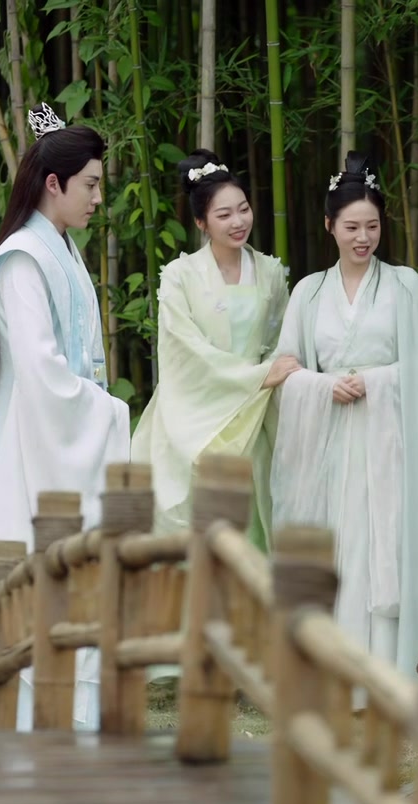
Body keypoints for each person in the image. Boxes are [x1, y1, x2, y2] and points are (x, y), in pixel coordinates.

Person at [269, 151, 418, 683]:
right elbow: (286, 369)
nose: (363, 237)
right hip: (331, 441)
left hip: (390, 442)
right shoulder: (308, 292)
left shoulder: (405, 286)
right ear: (329, 225)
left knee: (388, 546)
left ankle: (392, 672)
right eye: (352, 227)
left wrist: (374, 381)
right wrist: (324, 385)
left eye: (373, 226)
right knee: (339, 547)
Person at [0, 104, 128, 732]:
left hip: (62, 436)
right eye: (91, 185)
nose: (97, 198)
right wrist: (107, 410)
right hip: (35, 443)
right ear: (54, 184)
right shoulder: (22, 258)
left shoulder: (59, 247)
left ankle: (77, 713)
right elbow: (40, 370)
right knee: (40, 569)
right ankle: (35, 716)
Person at [131, 149, 296, 546]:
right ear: (201, 222)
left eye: (243, 209)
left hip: (257, 411)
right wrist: (258, 376)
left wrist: (268, 375)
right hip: (197, 411)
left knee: (257, 518)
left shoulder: (271, 272)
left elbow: (283, 342)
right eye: (224, 215)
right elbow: (183, 351)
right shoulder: (179, 276)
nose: (238, 222)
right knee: (196, 528)